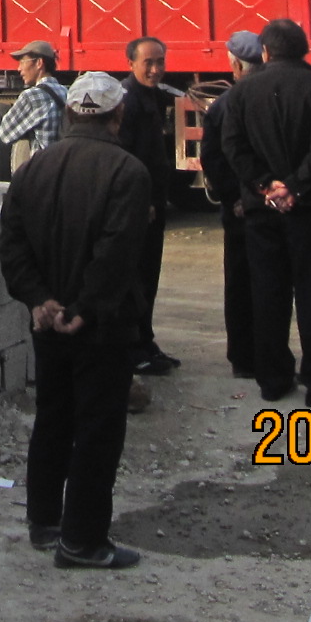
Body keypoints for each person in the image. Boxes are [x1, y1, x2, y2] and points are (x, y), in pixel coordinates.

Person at [0, 70, 153, 570]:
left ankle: (44, 522)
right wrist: (84, 310)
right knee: (97, 429)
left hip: (49, 324)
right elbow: (115, 255)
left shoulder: (32, 171)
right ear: (117, 115)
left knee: (53, 418)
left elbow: (12, 245)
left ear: (68, 113)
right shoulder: (128, 172)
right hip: (102, 328)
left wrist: (40, 301)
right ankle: (83, 541)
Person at [218, 16, 311, 406]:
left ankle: (274, 379)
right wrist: (294, 186)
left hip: (262, 210)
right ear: (304, 49)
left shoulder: (242, 92)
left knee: (268, 292)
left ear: (265, 52)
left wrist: (266, 185)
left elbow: (233, 146)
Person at [197, 30, 263, 379]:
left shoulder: (222, 105)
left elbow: (212, 158)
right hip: (269, 204)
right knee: (272, 283)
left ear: (235, 65)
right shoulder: (271, 98)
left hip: (239, 209)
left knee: (239, 283)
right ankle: (270, 354)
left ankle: (243, 358)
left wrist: (233, 198)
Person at [116, 36, 181, 376]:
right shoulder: (127, 101)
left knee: (149, 277)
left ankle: (146, 341)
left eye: (160, 62)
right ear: (131, 64)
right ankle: (133, 349)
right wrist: (140, 202)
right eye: (148, 63)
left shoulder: (152, 97)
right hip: (138, 208)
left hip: (154, 205)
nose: (155, 69)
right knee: (135, 281)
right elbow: (125, 160)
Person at [0, 40, 68, 163]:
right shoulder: (66, 92)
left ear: (39, 63)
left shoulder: (31, 96)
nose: (19, 68)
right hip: (65, 165)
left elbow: (5, 134)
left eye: (22, 62)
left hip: (43, 166)